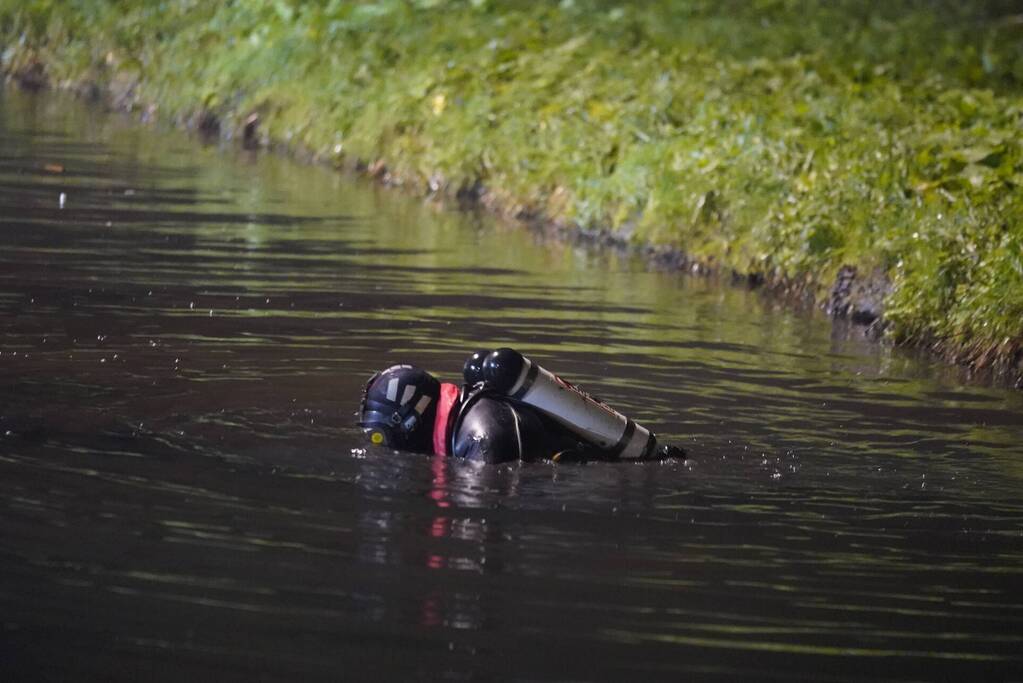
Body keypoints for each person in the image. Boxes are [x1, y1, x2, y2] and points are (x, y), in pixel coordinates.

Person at [357, 348, 686, 464]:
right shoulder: (470, 419)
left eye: (383, 438)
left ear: (412, 421)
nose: (387, 447)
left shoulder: (479, 438)